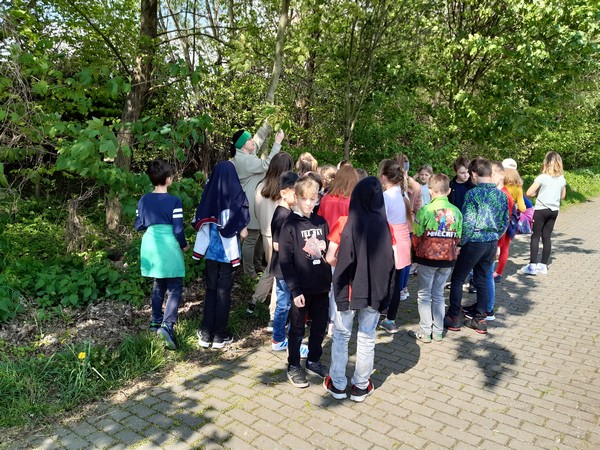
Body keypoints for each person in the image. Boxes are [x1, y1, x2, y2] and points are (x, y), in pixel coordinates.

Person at [324, 177, 395, 402]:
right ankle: (361, 386)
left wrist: (345, 267)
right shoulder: (386, 227)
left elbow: (329, 257)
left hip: (348, 288)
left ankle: (337, 384)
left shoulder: (344, 222)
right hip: (374, 290)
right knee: (366, 337)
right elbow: (392, 260)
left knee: (341, 335)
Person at [445, 158, 508, 334]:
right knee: (482, 279)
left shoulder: (473, 194)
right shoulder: (501, 195)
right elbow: (505, 221)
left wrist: (460, 243)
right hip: (491, 242)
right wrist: (495, 237)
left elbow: (468, 223)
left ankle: (453, 316)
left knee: (458, 278)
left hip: (474, 242)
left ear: (473, 174)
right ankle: (480, 319)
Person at [279, 175, 331, 387]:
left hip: (321, 286)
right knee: (297, 328)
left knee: (319, 327)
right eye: (305, 199)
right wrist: (295, 289)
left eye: (313, 198)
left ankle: (313, 359)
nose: (309, 203)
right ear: (297, 198)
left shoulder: (321, 222)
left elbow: (327, 253)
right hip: (301, 288)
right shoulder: (290, 225)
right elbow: (285, 261)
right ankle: (293, 364)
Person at [192, 161, 250, 349]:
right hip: (229, 256)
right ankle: (220, 335)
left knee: (211, 290)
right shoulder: (238, 198)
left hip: (211, 255)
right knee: (224, 292)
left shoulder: (208, 195)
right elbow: (244, 233)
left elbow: (199, 224)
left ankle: (205, 332)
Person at [135, 159, 190, 351]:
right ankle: (167, 325)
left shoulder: (143, 200)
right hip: (169, 245)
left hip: (151, 244)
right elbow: (178, 229)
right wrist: (184, 245)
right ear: (168, 179)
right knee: (175, 287)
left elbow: (138, 225)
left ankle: (155, 322)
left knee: (158, 284)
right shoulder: (174, 201)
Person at [409, 174, 462, 343]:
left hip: (427, 258)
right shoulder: (457, 212)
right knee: (439, 294)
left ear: (430, 191)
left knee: (424, 295)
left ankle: (425, 331)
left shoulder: (425, 210)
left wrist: (416, 251)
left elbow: (416, 235)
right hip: (448, 259)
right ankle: (438, 331)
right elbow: (458, 237)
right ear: (449, 191)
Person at [232, 126, 285, 278]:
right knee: (251, 238)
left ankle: (257, 265)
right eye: (248, 140)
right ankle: (249, 272)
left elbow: (257, 140)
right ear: (243, 144)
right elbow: (267, 165)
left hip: (255, 201)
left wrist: (268, 124)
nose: (252, 141)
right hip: (249, 203)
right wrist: (277, 143)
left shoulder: (247, 153)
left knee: (261, 234)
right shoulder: (245, 160)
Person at [247, 152, 294, 319]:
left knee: (270, 270)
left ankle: (255, 301)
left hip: (265, 232)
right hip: (280, 235)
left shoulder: (261, 186)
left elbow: (255, 210)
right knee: (278, 273)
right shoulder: (285, 191)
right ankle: (274, 313)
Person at [378, 159, 412, 334]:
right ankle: (390, 318)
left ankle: (380, 314)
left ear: (384, 177)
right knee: (396, 281)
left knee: (385, 281)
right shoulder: (402, 194)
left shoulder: (386, 196)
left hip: (391, 242)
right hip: (403, 241)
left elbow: (380, 221)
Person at [520, 151, 566, 275]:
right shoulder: (562, 179)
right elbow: (562, 196)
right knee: (547, 237)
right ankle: (543, 265)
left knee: (535, 236)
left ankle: (532, 265)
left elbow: (529, 193)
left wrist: (538, 193)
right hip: (554, 211)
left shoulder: (542, 177)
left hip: (541, 210)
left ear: (546, 163)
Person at [493, 160, 526, 283]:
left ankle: (489, 271)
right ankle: (499, 273)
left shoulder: (501, 187)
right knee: (505, 248)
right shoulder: (518, 188)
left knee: (495, 246)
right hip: (510, 221)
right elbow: (523, 208)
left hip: (498, 221)